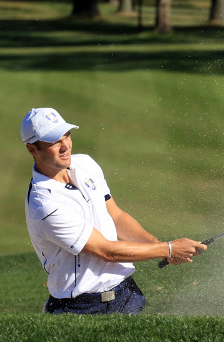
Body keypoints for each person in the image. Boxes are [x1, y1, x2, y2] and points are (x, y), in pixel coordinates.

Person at [21, 107, 207, 314]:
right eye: (55, 141)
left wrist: (155, 244)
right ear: (32, 149)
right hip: (82, 307)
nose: (65, 145)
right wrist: (169, 249)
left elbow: (115, 215)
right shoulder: (44, 204)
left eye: (67, 135)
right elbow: (106, 251)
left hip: (126, 293)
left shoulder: (85, 164)